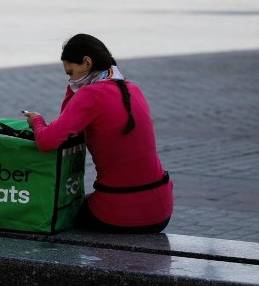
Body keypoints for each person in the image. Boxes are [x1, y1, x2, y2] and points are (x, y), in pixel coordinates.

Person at [23, 34, 172, 233]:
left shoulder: (90, 95)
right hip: (161, 210)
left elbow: (47, 141)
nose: (70, 78)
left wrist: (37, 121)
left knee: (64, 213)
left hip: (118, 211)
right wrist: (75, 86)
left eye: (71, 72)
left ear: (86, 63)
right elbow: (70, 128)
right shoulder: (133, 89)